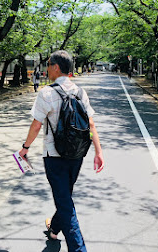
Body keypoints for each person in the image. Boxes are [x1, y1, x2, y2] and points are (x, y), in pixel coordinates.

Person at [19, 50, 104, 252]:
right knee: (64, 196)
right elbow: (91, 125)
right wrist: (98, 152)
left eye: (48, 64)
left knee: (64, 201)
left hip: (54, 156)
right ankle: (54, 228)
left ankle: (78, 249)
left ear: (56, 67)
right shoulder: (81, 92)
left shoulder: (46, 93)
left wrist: (25, 148)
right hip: (77, 155)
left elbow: (36, 126)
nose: (47, 69)